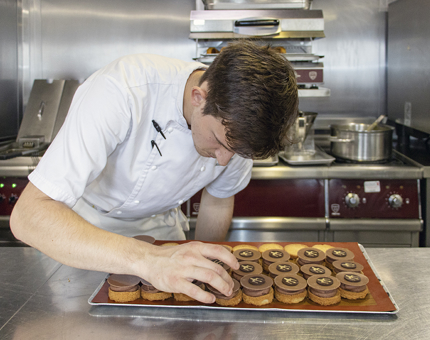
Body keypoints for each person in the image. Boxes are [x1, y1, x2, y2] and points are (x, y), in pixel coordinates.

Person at [10, 40, 299, 303]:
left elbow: (218, 198)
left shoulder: (240, 124)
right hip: (81, 230)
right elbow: (28, 216)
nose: (223, 161)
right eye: (220, 143)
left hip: (162, 233)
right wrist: (147, 259)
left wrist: (209, 270)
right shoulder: (122, 90)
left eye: (235, 152)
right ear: (199, 97)